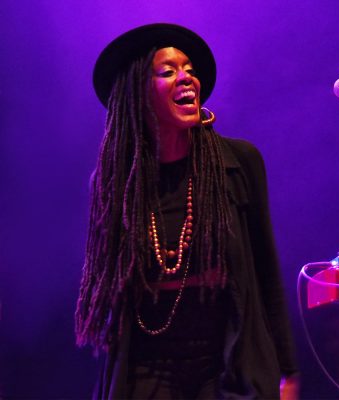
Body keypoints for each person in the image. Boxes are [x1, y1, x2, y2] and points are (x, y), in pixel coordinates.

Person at [75, 23, 299, 399]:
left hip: (225, 363)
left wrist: (288, 372)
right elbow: (108, 284)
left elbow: (267, 274)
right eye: (168, 71)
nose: (186, 79)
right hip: (147, 366)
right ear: (137, 96)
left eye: (190, 70)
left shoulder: (237, 163)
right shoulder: (116, 182)